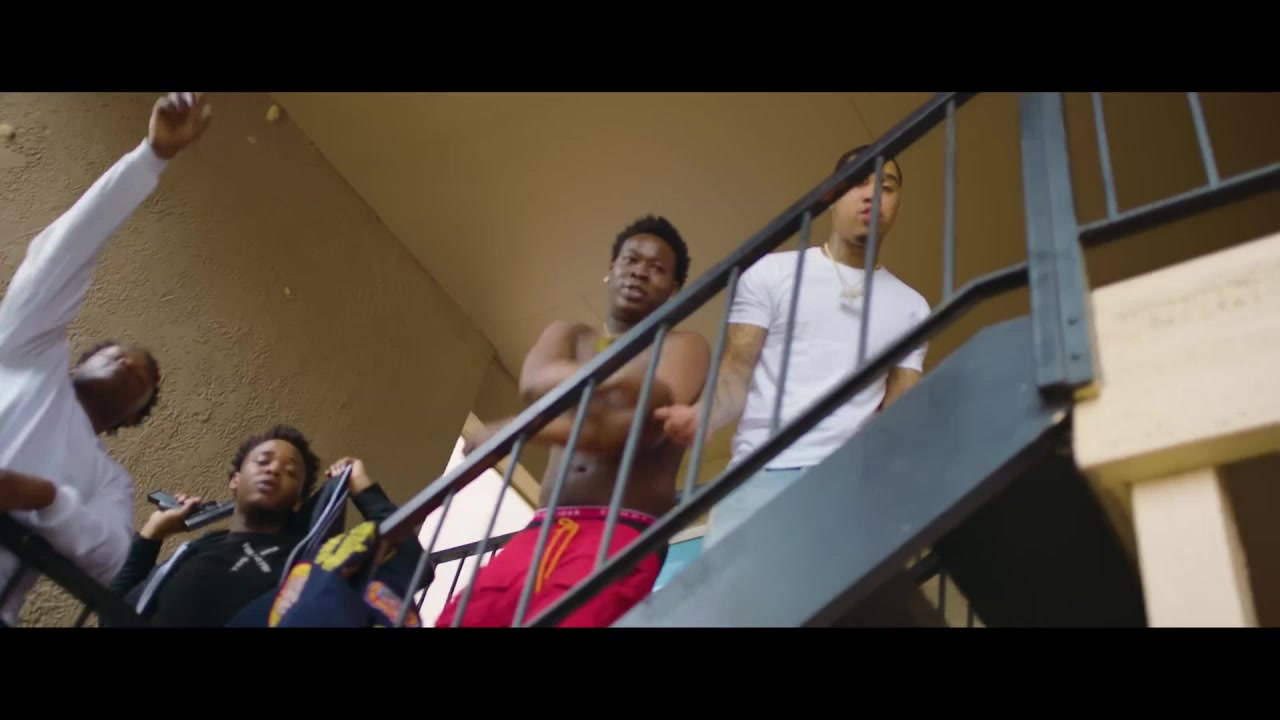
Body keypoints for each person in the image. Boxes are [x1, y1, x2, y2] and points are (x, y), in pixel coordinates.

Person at [437, 215, 711, 628]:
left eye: (657, 268)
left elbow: (627, 431)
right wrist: (623, 382)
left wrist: (517, 429)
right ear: (611, 269)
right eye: (631, 259)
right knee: (464, 618)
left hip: (622, 528)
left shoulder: (685, 345)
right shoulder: (569, 333)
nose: (640, 271)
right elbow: (534, 382)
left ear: (674, 290)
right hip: (542, 526)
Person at [0, 92, 211, 627]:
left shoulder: (108, 482)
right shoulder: (25, 353)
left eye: (146, 382)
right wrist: (151, 156)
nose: (135, 366)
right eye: (121, 354)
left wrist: (48, 499)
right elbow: (65, 251)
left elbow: (112, 558)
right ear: (79, 362)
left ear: (130, 418)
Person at [655, 145, 931, 549]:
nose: (872, 194)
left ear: (897, 206)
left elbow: (900, 410)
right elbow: (737, 371)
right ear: (831, 195)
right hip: (758, 476)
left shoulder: (912, 307)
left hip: (849, 484)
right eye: (858, 182)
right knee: (740, 591)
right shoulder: (771, 273)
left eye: (886, 187)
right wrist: (703, 415)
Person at [109, 425, 402, 627]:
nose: (274, 469)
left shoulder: (305, 562)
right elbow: (111, 613)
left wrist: (360, 486)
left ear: (298, 502)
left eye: (290, 472)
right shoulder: (198, 548)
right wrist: (154, 532)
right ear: (235, 481)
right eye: (263, 461)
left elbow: (406, 556)